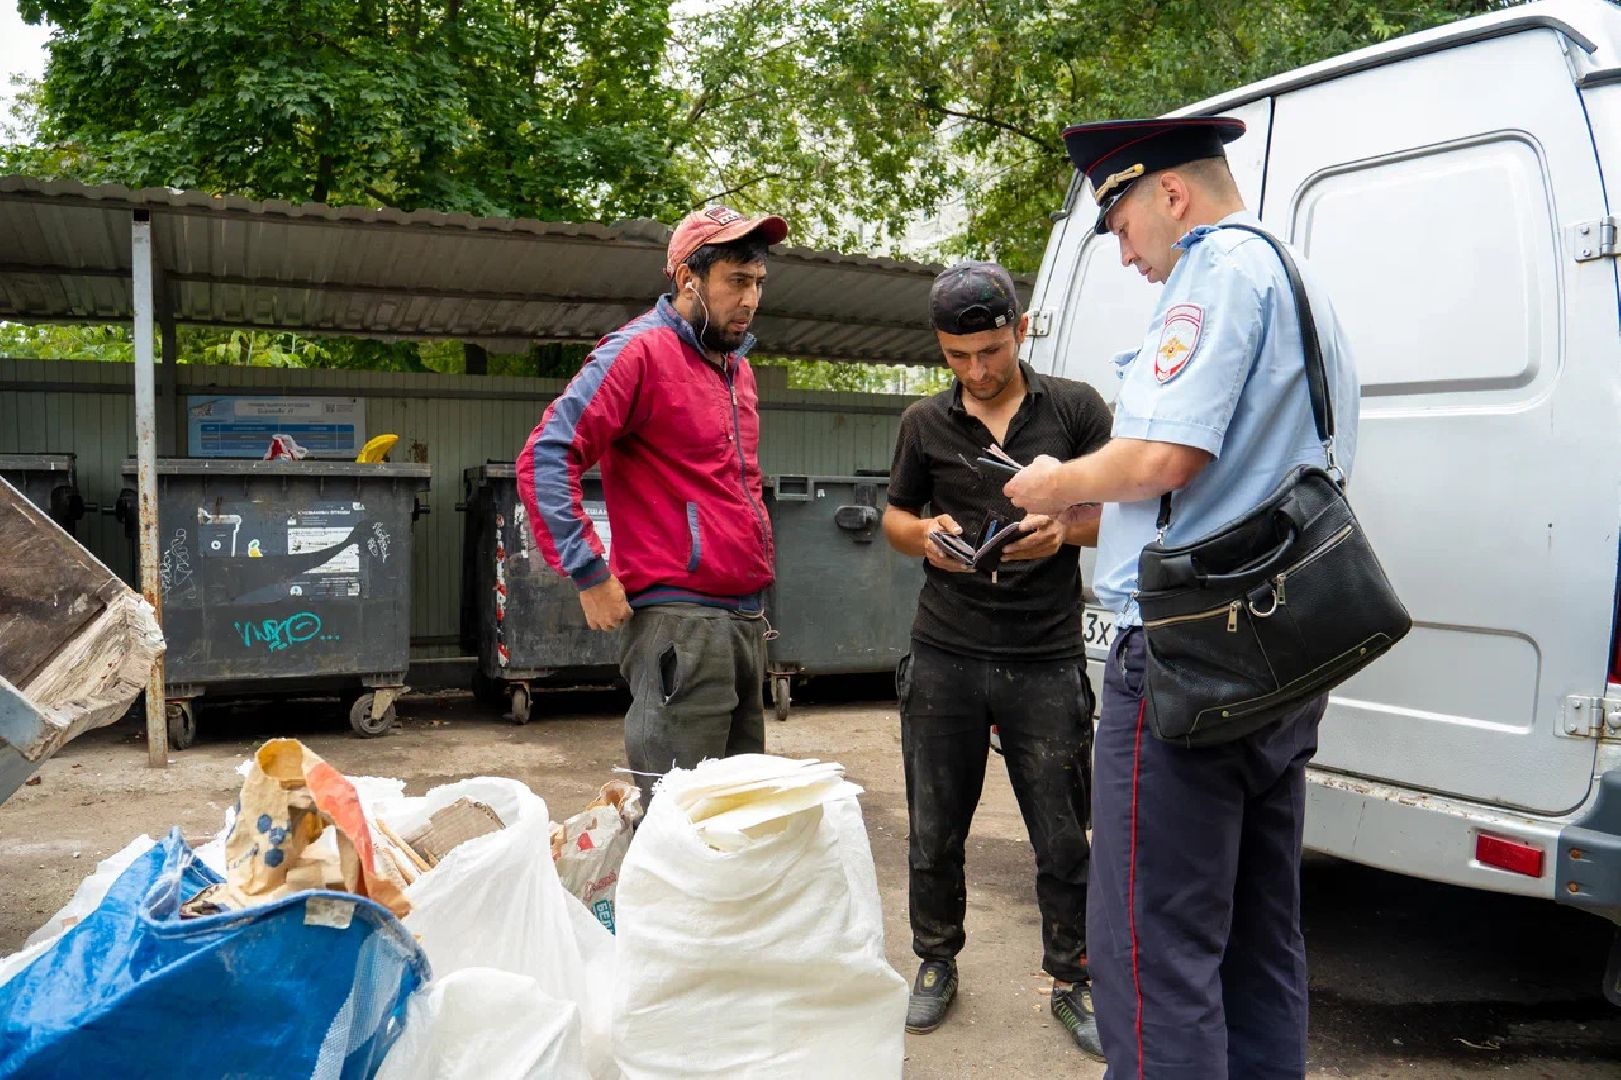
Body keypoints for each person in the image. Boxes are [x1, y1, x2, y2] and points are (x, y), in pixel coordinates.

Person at [1004, 117, 1360, 1077]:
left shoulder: (1215, 270)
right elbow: (1222, 486)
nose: (1124, 254)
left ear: (1170, 195)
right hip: (1277, 647)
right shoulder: (1301, 281)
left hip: (1181, 662)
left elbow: (1165, 455)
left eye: (1119, 223)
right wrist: (1086, 523)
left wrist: (1051, 482)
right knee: (1255, 937)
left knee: (1151, 948)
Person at [882, 260, 1113, 1049]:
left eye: (989, 350)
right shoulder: (923, 422)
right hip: (944, 648)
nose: (975, 371)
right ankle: (935, 961)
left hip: (1044, 655)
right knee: (934, 828)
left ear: (1019, 329)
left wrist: (1065, 530)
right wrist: (926, 537)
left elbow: (1122, 516)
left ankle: (1071, 976)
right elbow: (894, 518)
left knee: (1060, 832)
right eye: (956, 356)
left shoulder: (1077, 409)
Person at [517, 205, 789, 803]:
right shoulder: (638, 352)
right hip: (680, 625)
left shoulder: (735, 370)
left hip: (742, 621)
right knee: (675, 820)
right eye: (736, 283)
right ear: (690, 278)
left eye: (758, 284)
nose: (751, 300)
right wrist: (589, 571)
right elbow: (545, 457)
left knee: (737, 819)